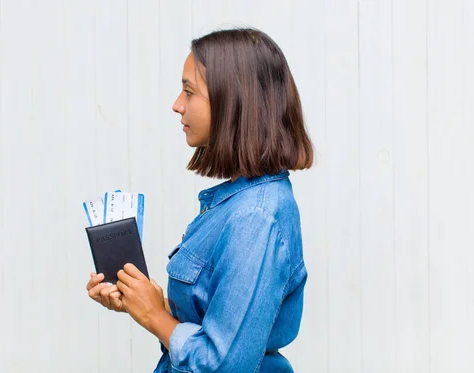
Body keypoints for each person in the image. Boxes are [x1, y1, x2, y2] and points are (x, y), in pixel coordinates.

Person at [86, 28, 313, 372]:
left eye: (189, 91)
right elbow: (219, 326)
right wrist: (140, 302)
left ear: (233, 100)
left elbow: (226, 365)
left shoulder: (255, 217)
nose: (177, 105)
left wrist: (155, 317)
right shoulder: (236, 203)